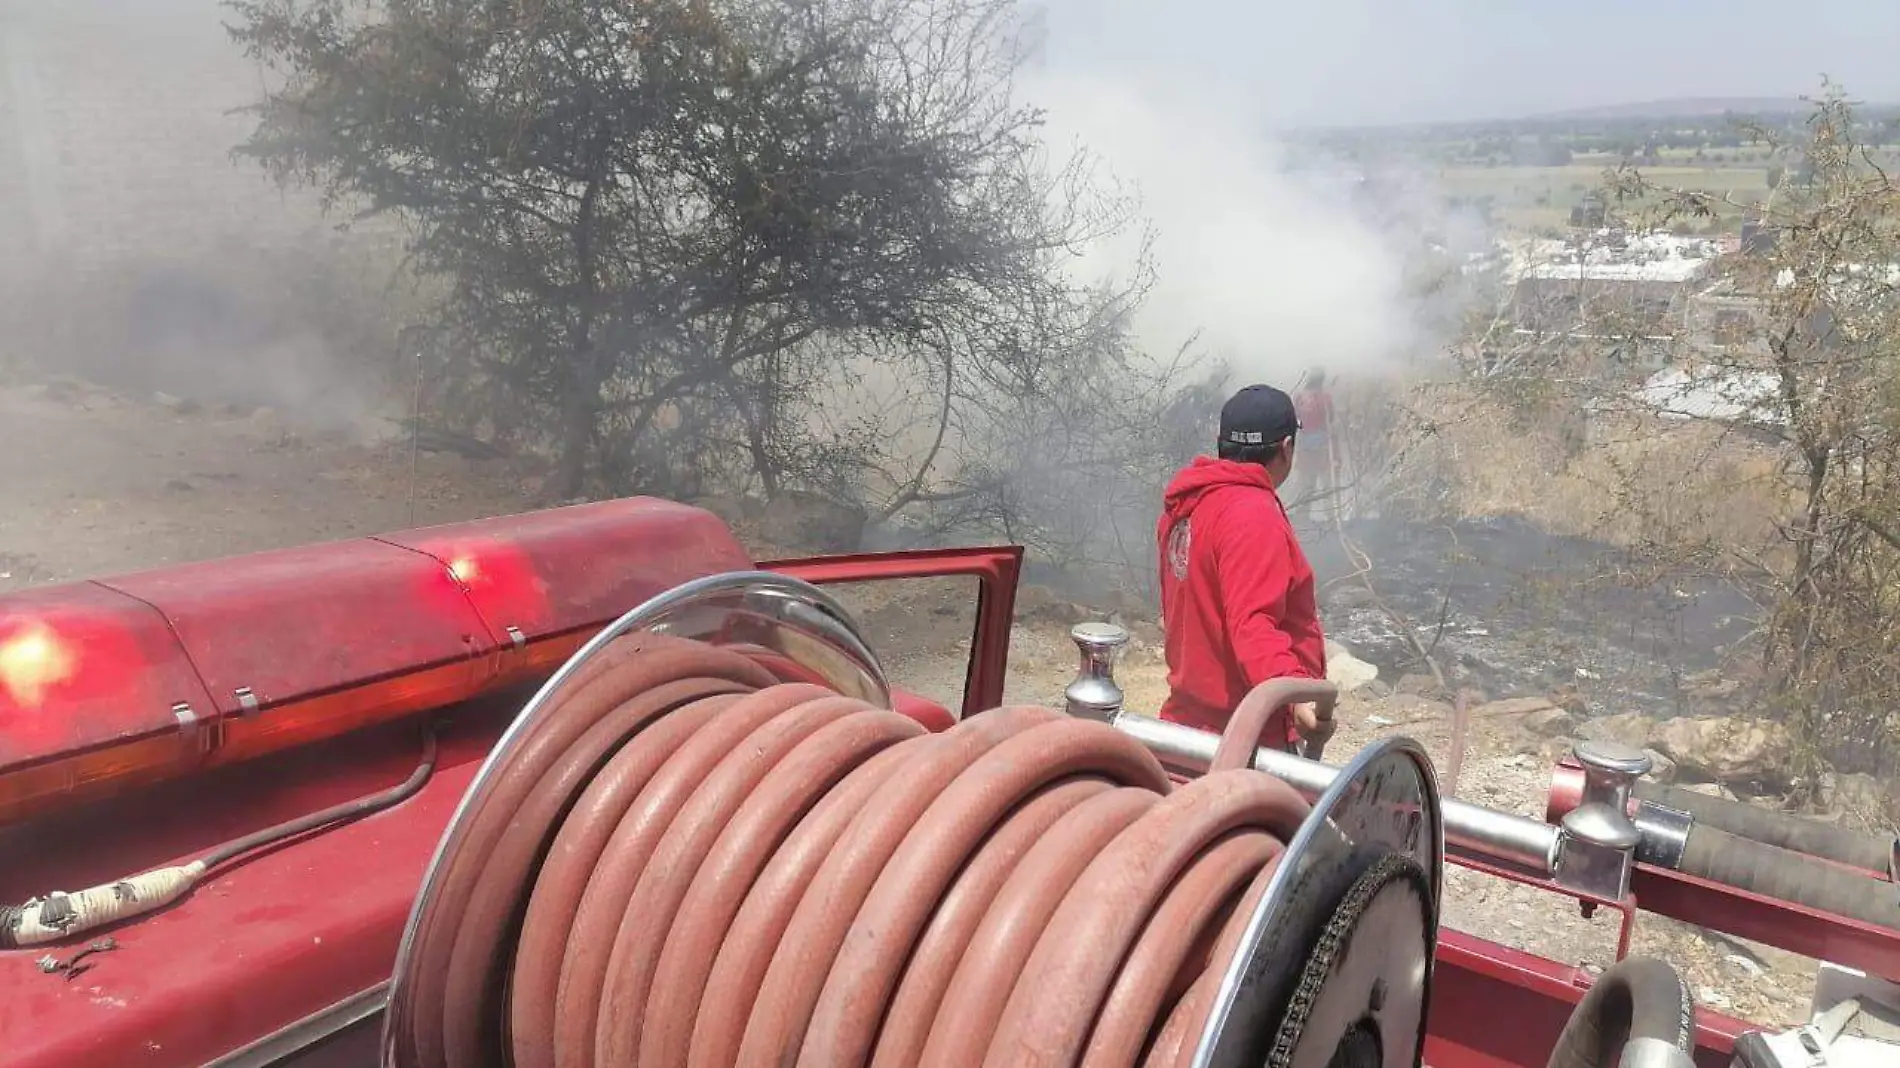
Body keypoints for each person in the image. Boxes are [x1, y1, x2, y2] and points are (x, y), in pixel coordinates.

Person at [1155, 384, 1328, 752]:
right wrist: (1296, 693)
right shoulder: (1251, 513)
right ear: (1286, 448)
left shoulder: (1189, 504)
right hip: (1243, 737)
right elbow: (1252, 625)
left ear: (1221, 442)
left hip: (1186, 726)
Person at [1287, 369, 1337, 520]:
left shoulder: (1299, 397)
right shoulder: (1325, 397)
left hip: (1305, 446)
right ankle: (1331, 516)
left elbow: (1295, 420)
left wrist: (1303, 430)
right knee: (1326, 483)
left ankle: (1303, 514)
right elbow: (1331, 418)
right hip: (1322, 446)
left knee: (1306, 482)